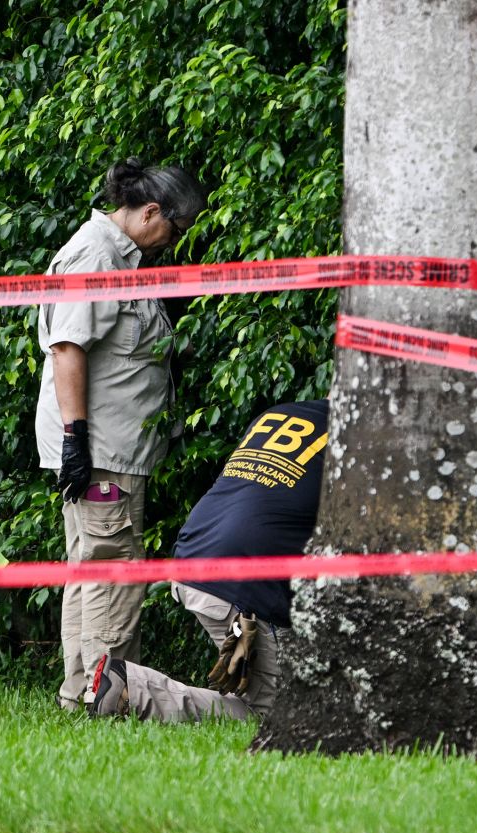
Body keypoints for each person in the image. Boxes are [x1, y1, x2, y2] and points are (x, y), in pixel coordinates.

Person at [36, 159, 207, 712]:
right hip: (102, 451)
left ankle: (81, 693)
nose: (172, 243)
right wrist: (76, 439)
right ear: (151, 212)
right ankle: (108, 701)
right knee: (114, 572)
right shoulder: (98, 255)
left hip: (110, 448)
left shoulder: (123, 257)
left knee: (90, 568)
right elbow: (67, 348)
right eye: (174, 231)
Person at [88, 398, 329, 722]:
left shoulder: (280, 414)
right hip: (240, 581)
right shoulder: (357, 439)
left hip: (197, 554)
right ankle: (132, 690)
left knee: (277, 691)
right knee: (281, 716)